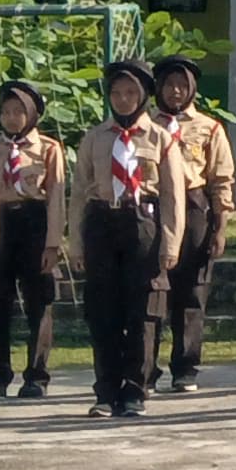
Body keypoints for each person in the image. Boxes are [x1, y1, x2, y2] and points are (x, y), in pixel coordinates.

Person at [74, 58, 184, 418]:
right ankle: (105, 391)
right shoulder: (94, 138)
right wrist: (75, 242)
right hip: (102, 222)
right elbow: (79, 193)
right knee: (103, 312)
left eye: (131, 92)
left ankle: (135, 389)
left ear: (145, 96)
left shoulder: (161, 138)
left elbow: (172, 195)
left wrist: (170, 243)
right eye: (117, 92)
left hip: (143, 223)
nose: (123, 99)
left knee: (142, 311)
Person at [150, 57, 236, 397]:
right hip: (155, 208)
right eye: (169, 85)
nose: (175, 92)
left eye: (182, 86)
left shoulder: (209, 127)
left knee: (192, 291)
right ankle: (146, 368)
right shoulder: (147, 126)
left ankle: (185, 368)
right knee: (155, 288)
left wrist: (220, 227)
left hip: (195, 206)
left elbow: (221, 180)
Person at [0, 80, 64, 398]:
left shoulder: (48, 149)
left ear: (32, 114)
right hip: (0, 223)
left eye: (19, 112)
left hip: (35, 222)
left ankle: (36, 375)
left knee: (39, 302)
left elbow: (56, 196)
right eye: (6, 112)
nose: (12, 118)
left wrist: (53, 243)